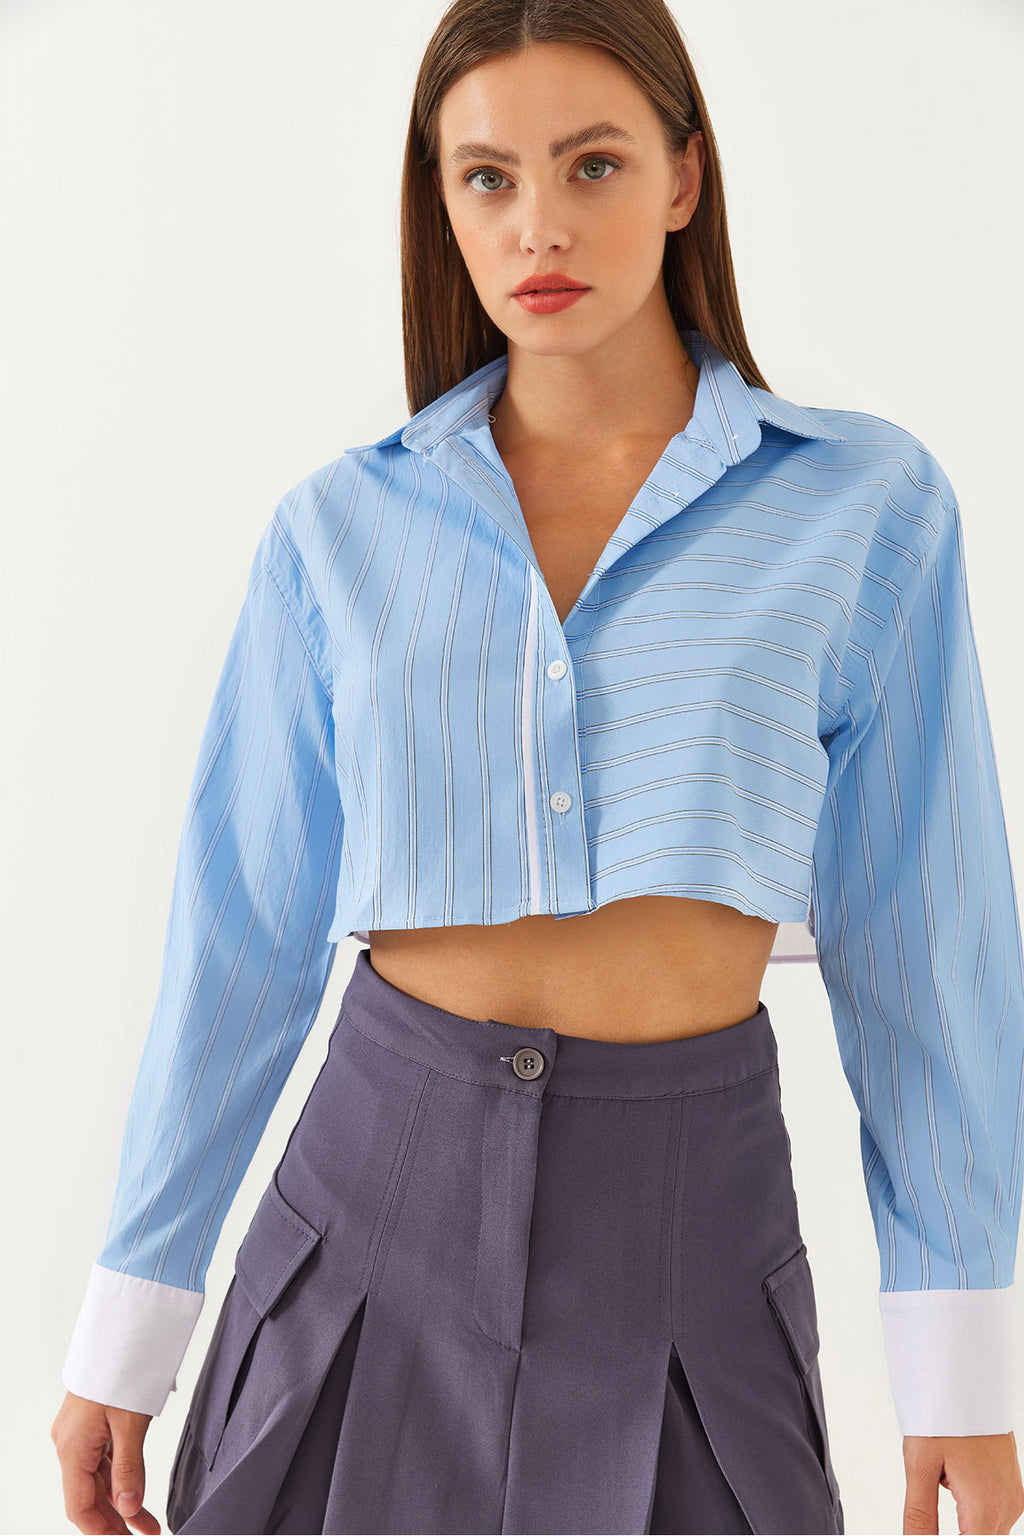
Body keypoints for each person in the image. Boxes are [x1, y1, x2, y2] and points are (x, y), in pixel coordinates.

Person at [51, 2, 1024, 1533]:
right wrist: (130, 1326)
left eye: (594, 164)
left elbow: (928, 947)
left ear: (684, 176)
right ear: (440, 202)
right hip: (368, 1222)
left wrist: (959, 1363)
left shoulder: (864, 509)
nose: (539, 225)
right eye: (488, 178)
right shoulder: (339, 531)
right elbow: (237, 945)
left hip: (693, 1233)